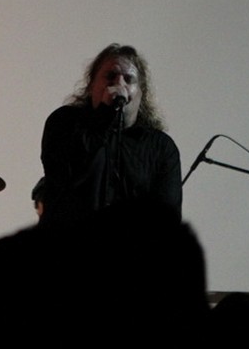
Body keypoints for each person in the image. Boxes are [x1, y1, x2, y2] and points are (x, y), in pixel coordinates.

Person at [39, 43, 182, 224]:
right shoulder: (65, 122)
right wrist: (105, 113)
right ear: (91, 85)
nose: (119, 84)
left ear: (141, 93)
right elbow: (65, 176)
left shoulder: (160, 147)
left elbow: (167, 218)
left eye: (129, 79)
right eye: (110, 76)